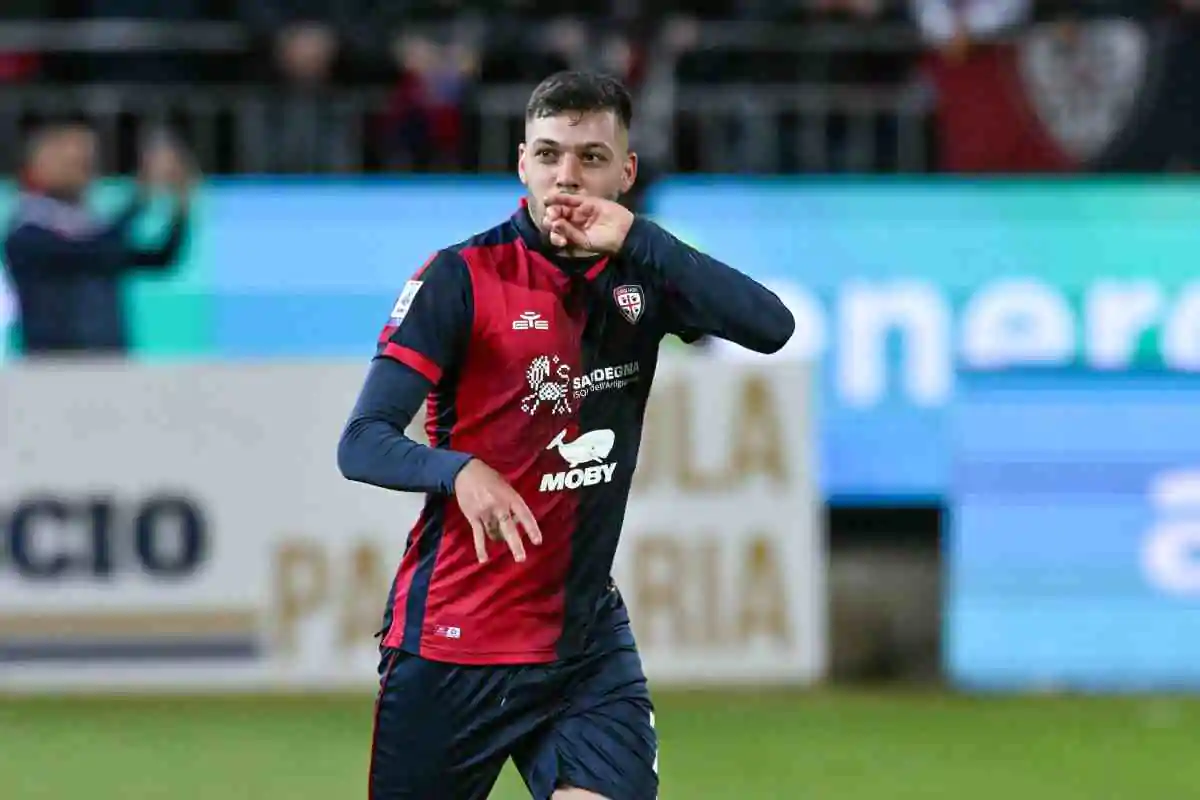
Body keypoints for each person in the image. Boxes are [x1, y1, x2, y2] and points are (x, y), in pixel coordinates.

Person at [337, 70, 795, 800]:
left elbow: (772, 327)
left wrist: (641, 237)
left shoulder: (643, 273)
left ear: (626, 173)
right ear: (523, 163)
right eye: (549, 154)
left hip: (582, 646)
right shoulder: (461, 277)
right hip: (455, 643)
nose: (567, 177)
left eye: (591, 157)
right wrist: (459, 470)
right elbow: (361, 440)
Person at [2, 119, 193, 356]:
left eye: (88, 164)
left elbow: (158, 259)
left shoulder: (90, 225)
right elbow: (90, 250)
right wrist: (143, 194)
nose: (85, 173)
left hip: (109, 362)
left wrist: (181, 206)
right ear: (37, 165)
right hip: (53, 365)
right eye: (73, 162)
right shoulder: (27, 231)